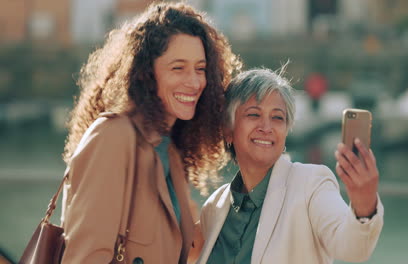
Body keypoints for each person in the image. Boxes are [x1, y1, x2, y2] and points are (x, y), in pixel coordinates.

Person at [60, 2, 241, 263]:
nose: (194, 82)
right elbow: (85, 256)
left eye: (200, 69)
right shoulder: (113, 137)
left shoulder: (169, 150)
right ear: (146, 74)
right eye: (178, 68)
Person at [195, 68, 384, 264]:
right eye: (253, 114)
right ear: (228, 130)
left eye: (277, 117)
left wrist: (364, 204)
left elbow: (352, 249)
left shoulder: (311, 184)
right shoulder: (214, 206)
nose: (266, 127)